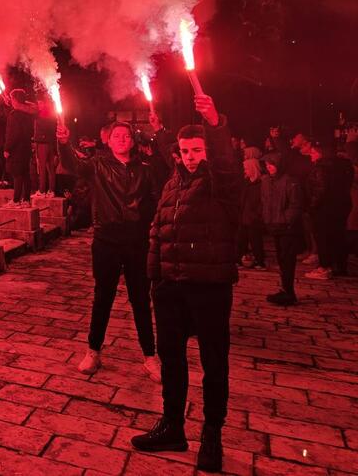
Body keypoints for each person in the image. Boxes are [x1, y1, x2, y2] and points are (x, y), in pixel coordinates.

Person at [131, 94, 241, 474]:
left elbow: (226, 164)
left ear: (208, 151)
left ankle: (212, 435)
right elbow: (160, 229)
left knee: (214, 362)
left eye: (198, 150)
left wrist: (216, 124)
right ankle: (172, 426)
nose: (192, 156)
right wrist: (155, 279)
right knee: (172, 358)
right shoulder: (173, 183)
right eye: (186, 151)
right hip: (169, 286)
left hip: (208, 285)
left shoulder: (221, 183)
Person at [57, 119, 160, 381]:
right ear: (108, 140)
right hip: (106, 241)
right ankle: (93, 351)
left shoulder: (145, 170)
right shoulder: (97, 165)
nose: (122, 139)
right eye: (117, 135)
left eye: (126, 135)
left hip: (137, 242)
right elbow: (72, 166)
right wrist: (62, 143)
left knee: (140, 300)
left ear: (132, 141)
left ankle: (150, 356)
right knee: (103, 297)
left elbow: (154, 200)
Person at [304, 140, 354, 279]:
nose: (311, 155)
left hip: (324, 208)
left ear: (322, 153)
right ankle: (340, 266)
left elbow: (320, 190)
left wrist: (312, 206)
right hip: (341, 205)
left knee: (323, 238)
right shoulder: (344, 165)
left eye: (314, 152)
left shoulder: (321, 167)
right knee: (338, 235)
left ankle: (324, 267)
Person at [261, 152, 304, 306]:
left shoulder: (290, 182)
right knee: (281, 259)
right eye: (267, 165)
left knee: (287, 260)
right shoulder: (266, 181)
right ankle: (286, 290)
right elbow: (264, 201)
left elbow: (295, 205)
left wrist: (286, 220)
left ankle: (289, 292)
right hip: (274, 226)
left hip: (287, 228)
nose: (269, 167)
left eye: (271, 164)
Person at [3, 89, 37, 206]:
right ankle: (26, 200)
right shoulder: (28, 114)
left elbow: (13, 134)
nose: (11, 101)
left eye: (12, 99)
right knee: (25, 173)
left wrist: (7, 148)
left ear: (16, 100)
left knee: (17, 174)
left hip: (16, 148)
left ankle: (16, 200)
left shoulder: (14, 115)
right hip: (26, 147)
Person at [239, 148, 265, 269]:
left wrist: (257, 214)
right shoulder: (246, 183)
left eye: (246, 169)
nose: (244, 171)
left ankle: (260, 261)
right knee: (242, 239)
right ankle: (239, 258)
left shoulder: (260, 184)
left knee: (256, 240)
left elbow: (262, 202)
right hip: (244, 216)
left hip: (254, 218)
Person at [33, 100, 59, 196]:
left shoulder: (39, 115)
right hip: (51, 143)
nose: (38, 105)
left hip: (42, 143)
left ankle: (42, 190)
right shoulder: (52, 115)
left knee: (42, 167)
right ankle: (51, 190)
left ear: (44, 105)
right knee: (51, 168)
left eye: (40, 103)